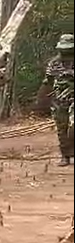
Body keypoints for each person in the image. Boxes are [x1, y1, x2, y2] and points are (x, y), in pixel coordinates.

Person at [41, 34, 74, 167]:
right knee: (62, 127)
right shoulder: (54, 62)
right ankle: (65, 156)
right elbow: (48, 81)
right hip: (60, 99)